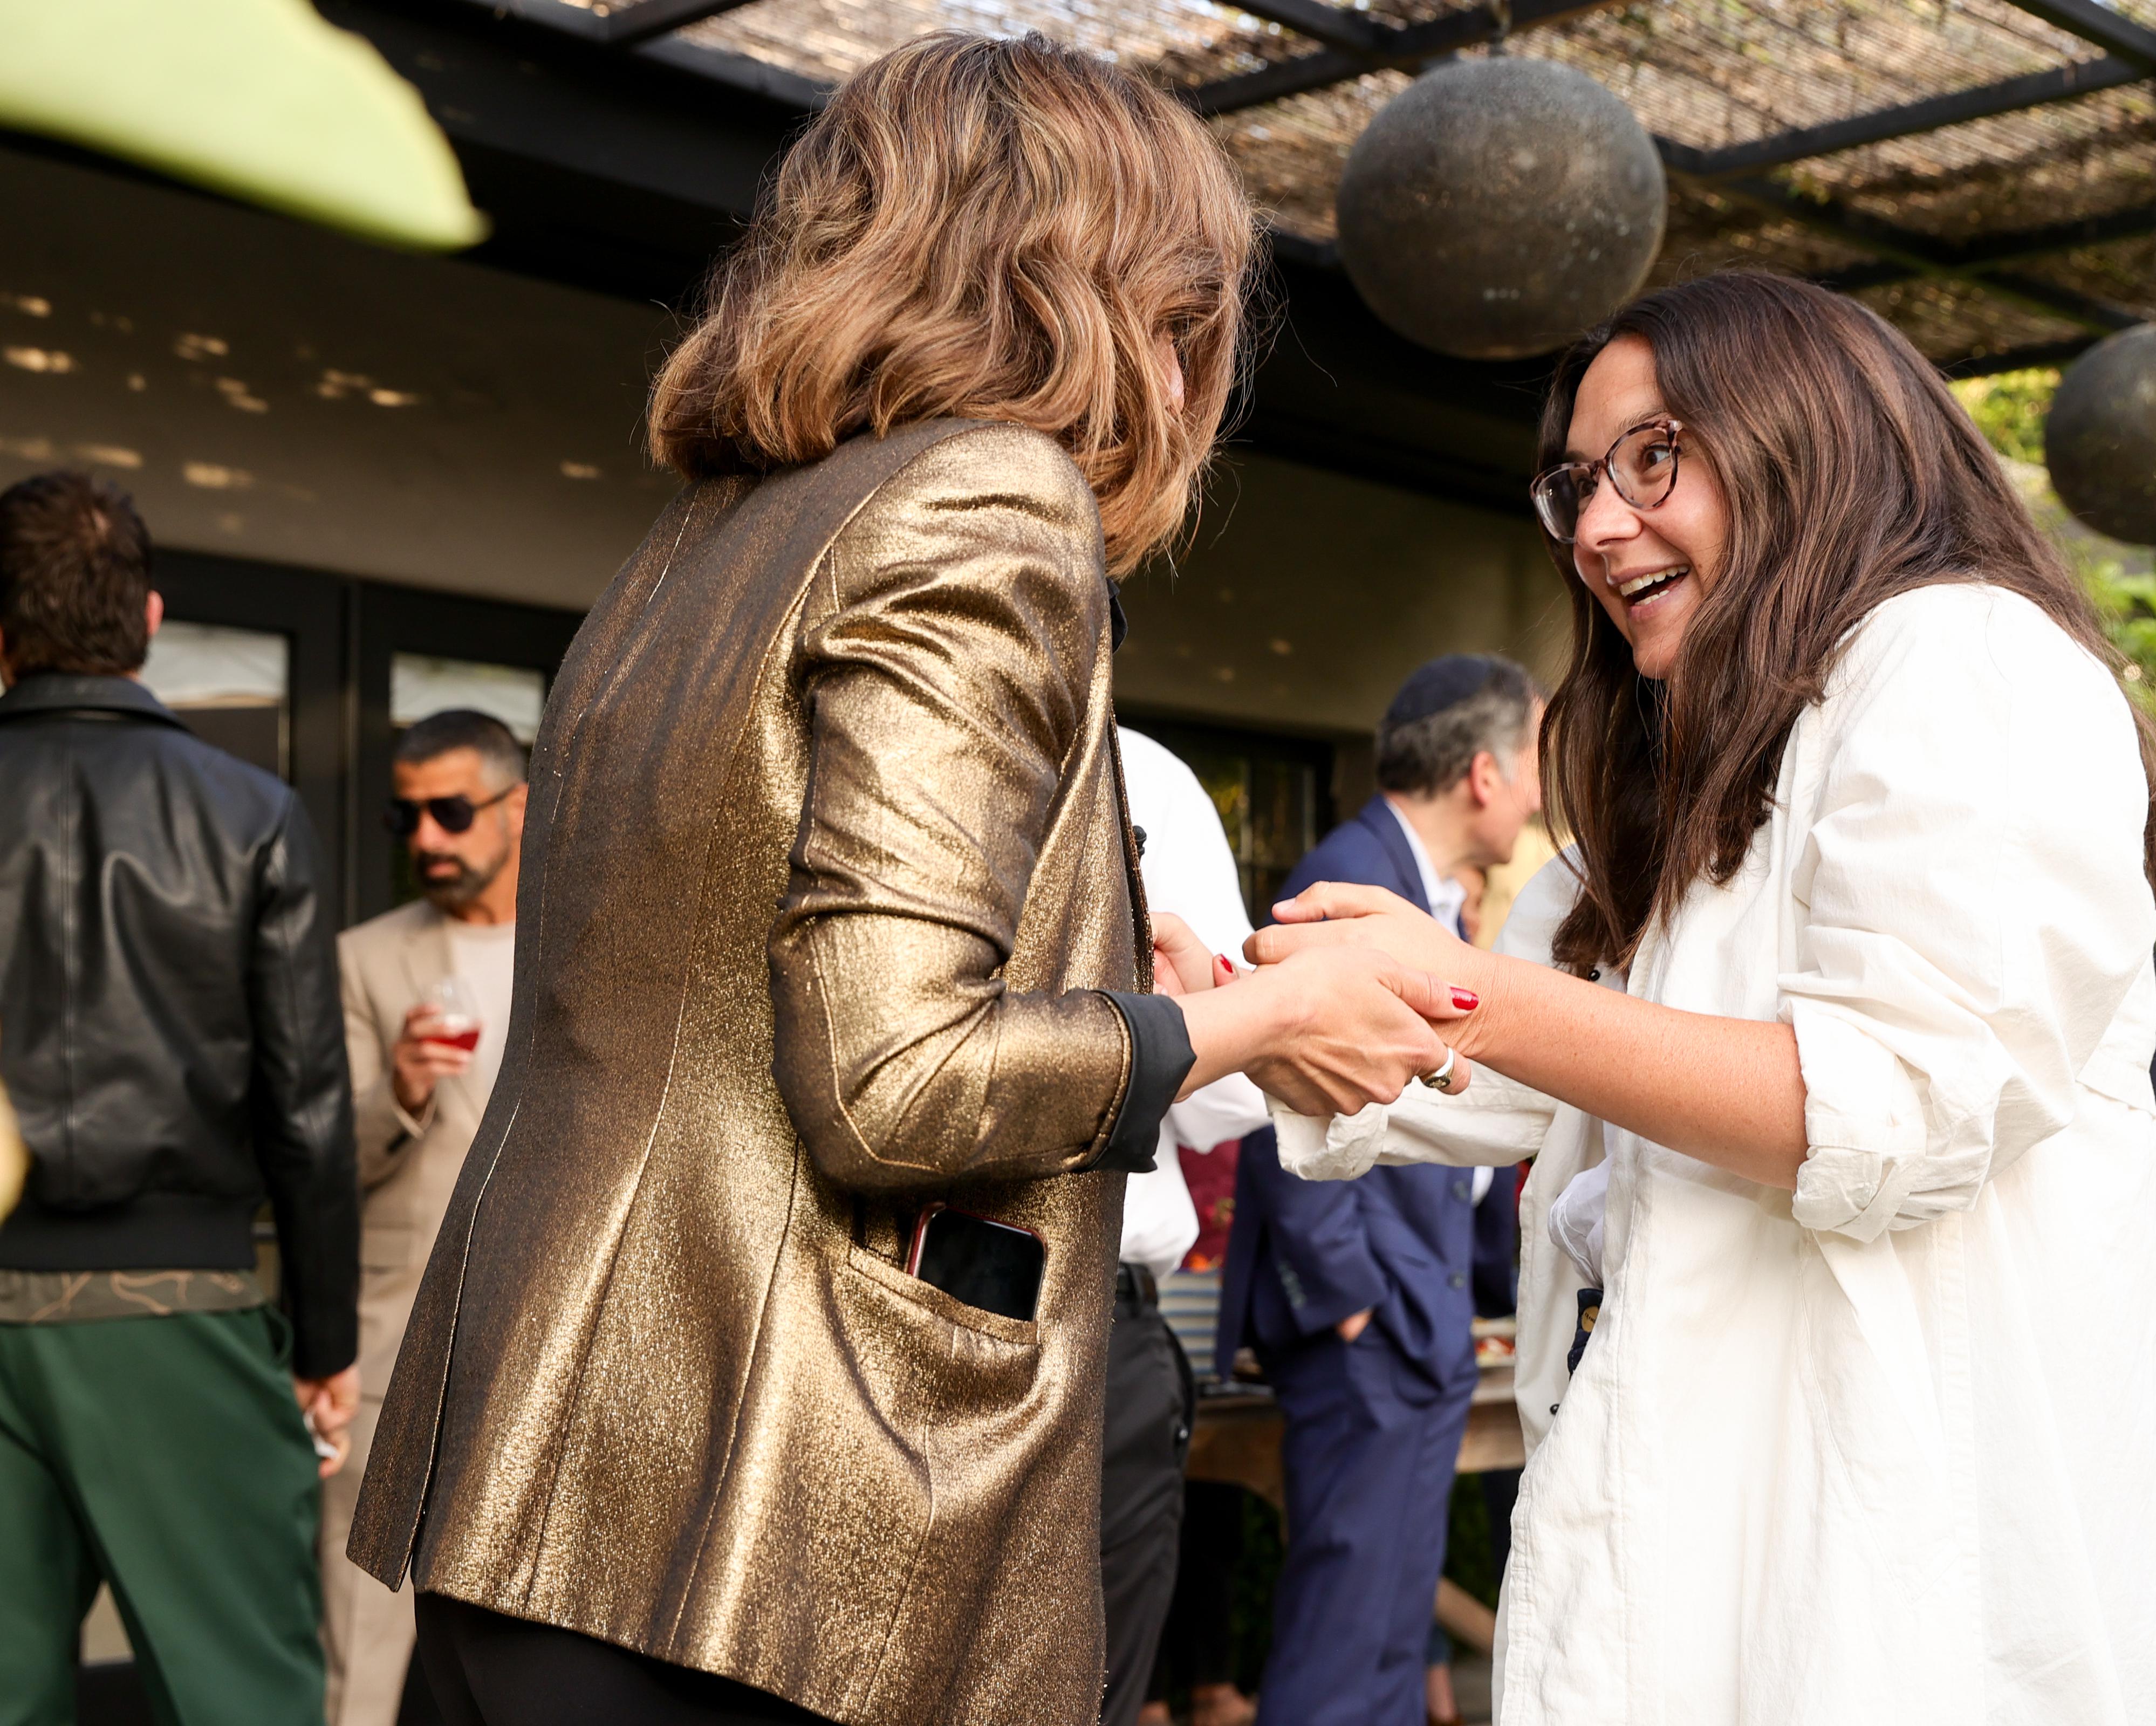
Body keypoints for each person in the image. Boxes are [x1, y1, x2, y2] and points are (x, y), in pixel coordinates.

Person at [346, 37, 1475, 1726]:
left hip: (543, 1483)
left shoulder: (703, 539)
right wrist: (1253, 1021)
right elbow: (893, 1084)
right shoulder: (991, 504)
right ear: (1129, 299)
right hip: (760, 1523)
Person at [1252, 271, 2156, 1723]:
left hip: (1899, 1560)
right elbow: (1541, 1063)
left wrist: (1455, 985)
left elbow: (1890, 1102)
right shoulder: (1692, 753)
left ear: (1811, 440)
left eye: (1653, 459)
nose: (1597, 526)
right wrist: (1260, 1009)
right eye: (1575, 484)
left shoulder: (1964, 661)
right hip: (1701, 1535)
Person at [0, 470, 360, 1724]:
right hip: (180, 1308)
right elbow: (310, 1109)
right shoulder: (252, 814)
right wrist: (326, 1344)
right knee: (242, 1697)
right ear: (147, 620)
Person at [1213, 654, 1542, 1726]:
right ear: (1485, 773)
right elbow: (1283, 1080)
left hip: (1413, 1318)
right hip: (1371, 1324)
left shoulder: (1416, 889)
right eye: (1536, 758)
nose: (1544, 791)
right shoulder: (1350, 874)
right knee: (1347, 1638)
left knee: (1393, 1631)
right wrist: (1352, 1297)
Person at [323, 708, 529, 1726]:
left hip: (549, 1340)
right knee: (361, 1647)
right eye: (410, 819)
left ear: (519, 805)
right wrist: (398, 1091)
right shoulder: (366, 959)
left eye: (451, 811)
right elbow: (326, 1163)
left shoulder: (584, 948)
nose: (428, 840)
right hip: (398, 1341)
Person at [1103, 726, 1273, 1725]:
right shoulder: (1139, 772)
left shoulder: (1145, 779)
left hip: (1105, 1328)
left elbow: (1230, 1102)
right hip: (1090, 1325)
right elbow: (1231, 1102)